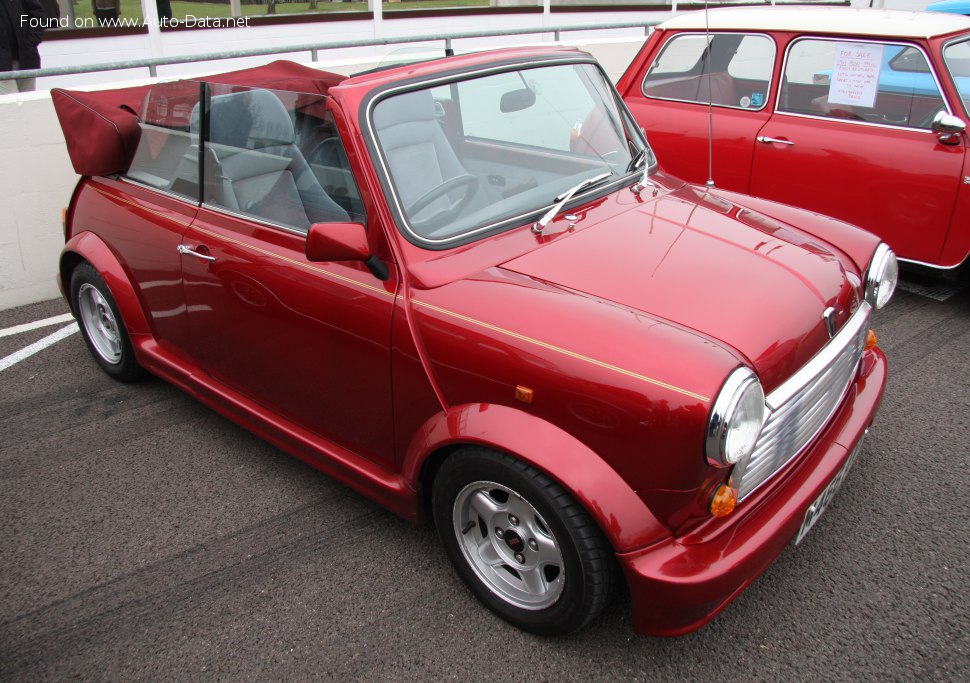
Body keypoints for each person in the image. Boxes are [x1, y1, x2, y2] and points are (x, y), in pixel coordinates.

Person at [0, 0, 46, 94]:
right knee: (12, 103)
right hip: (2, 65)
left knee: (28, 101)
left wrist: (30, 43)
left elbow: (38, 16)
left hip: (26, 59)